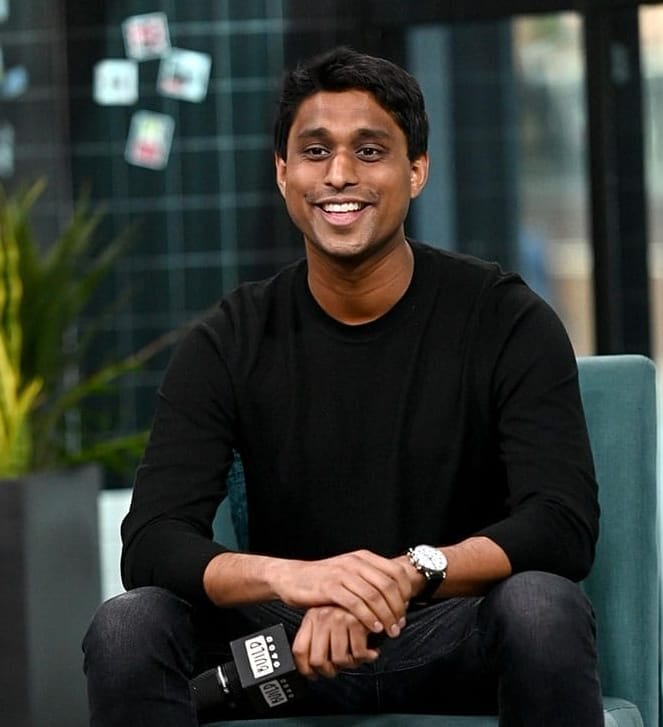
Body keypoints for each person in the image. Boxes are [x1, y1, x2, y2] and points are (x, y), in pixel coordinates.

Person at [83, 46, 603, 726]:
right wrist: (298, 580)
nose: (338, 175)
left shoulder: (503, 317)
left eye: (368, 151)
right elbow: (152, 541)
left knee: (541, 605)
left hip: (448, 632)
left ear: (415, 169)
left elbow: (560, 522)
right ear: (281, 172)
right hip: (288, 647)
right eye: (314, 151)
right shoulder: (228, 338)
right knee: (128, 626)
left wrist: (408, 572)